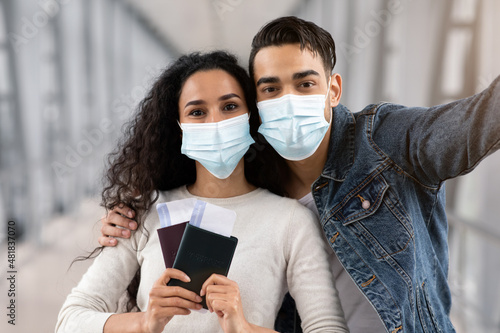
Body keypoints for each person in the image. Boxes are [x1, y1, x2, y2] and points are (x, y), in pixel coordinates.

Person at [100, 16, 500, 333]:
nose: (288, 100)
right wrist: (125, 220)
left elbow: (477, 124)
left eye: (305, 83)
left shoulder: (386, 141)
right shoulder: (253, 181)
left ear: (333, 89)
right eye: (271, 89)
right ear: (255, 103)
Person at [56, 51, 348, 333]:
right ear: (180, 127)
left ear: (251, 115)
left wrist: (244, 329)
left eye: (230, 106)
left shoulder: (291, 222)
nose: (215, 122)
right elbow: (70, 320)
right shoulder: (144, 213)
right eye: (197, 112)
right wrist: (145, 323)